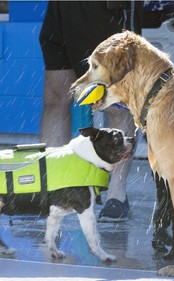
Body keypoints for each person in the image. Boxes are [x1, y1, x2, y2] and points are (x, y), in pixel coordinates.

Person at [39, 1, 143, 221]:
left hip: (106, 8)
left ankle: (116, 193)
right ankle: (54, 187)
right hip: (62, 8)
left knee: (117, 101)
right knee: (56, 98)